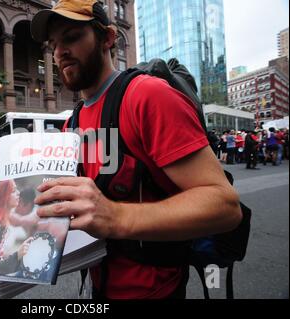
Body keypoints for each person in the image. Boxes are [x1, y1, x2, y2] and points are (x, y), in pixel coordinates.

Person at [29, 0, 242, 299]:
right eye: (53, 44)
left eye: (72, 37)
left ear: (108, 38)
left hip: (157, 292)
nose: (59, 52)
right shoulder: (72, 122)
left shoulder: (148, 96)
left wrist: (115, 217)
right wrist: (5, 214)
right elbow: (65, 206)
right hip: (99, 289)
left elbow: (225, 207)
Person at [0, 180, 33, 275]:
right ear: (4, 196)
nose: (18, 193)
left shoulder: (2, 220)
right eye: (13, 191)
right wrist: (16, 255)